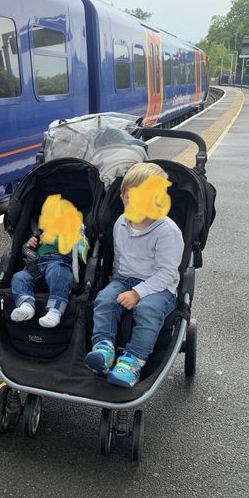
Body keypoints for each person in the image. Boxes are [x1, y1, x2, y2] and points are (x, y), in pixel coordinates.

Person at [85, 162, 184, 388]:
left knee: (147, 310)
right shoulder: (121, 223)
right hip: (125, 278)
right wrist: (115, 276)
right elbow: (120, 254)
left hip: (160, 286)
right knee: (104, 299)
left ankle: (133, 362)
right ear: (123, 198)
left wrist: (137, 293)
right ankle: (103, 348)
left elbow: (167, 273)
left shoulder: (167, 231)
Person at [10, 194, 89, 329]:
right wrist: (28, 245)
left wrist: (55, 241)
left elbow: (82, 252)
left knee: (58, 272)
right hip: (37, 267)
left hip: (60, 264)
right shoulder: (39, 235)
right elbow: (25, 252)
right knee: (19, 277)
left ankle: (55, 310)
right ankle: (26, 305)